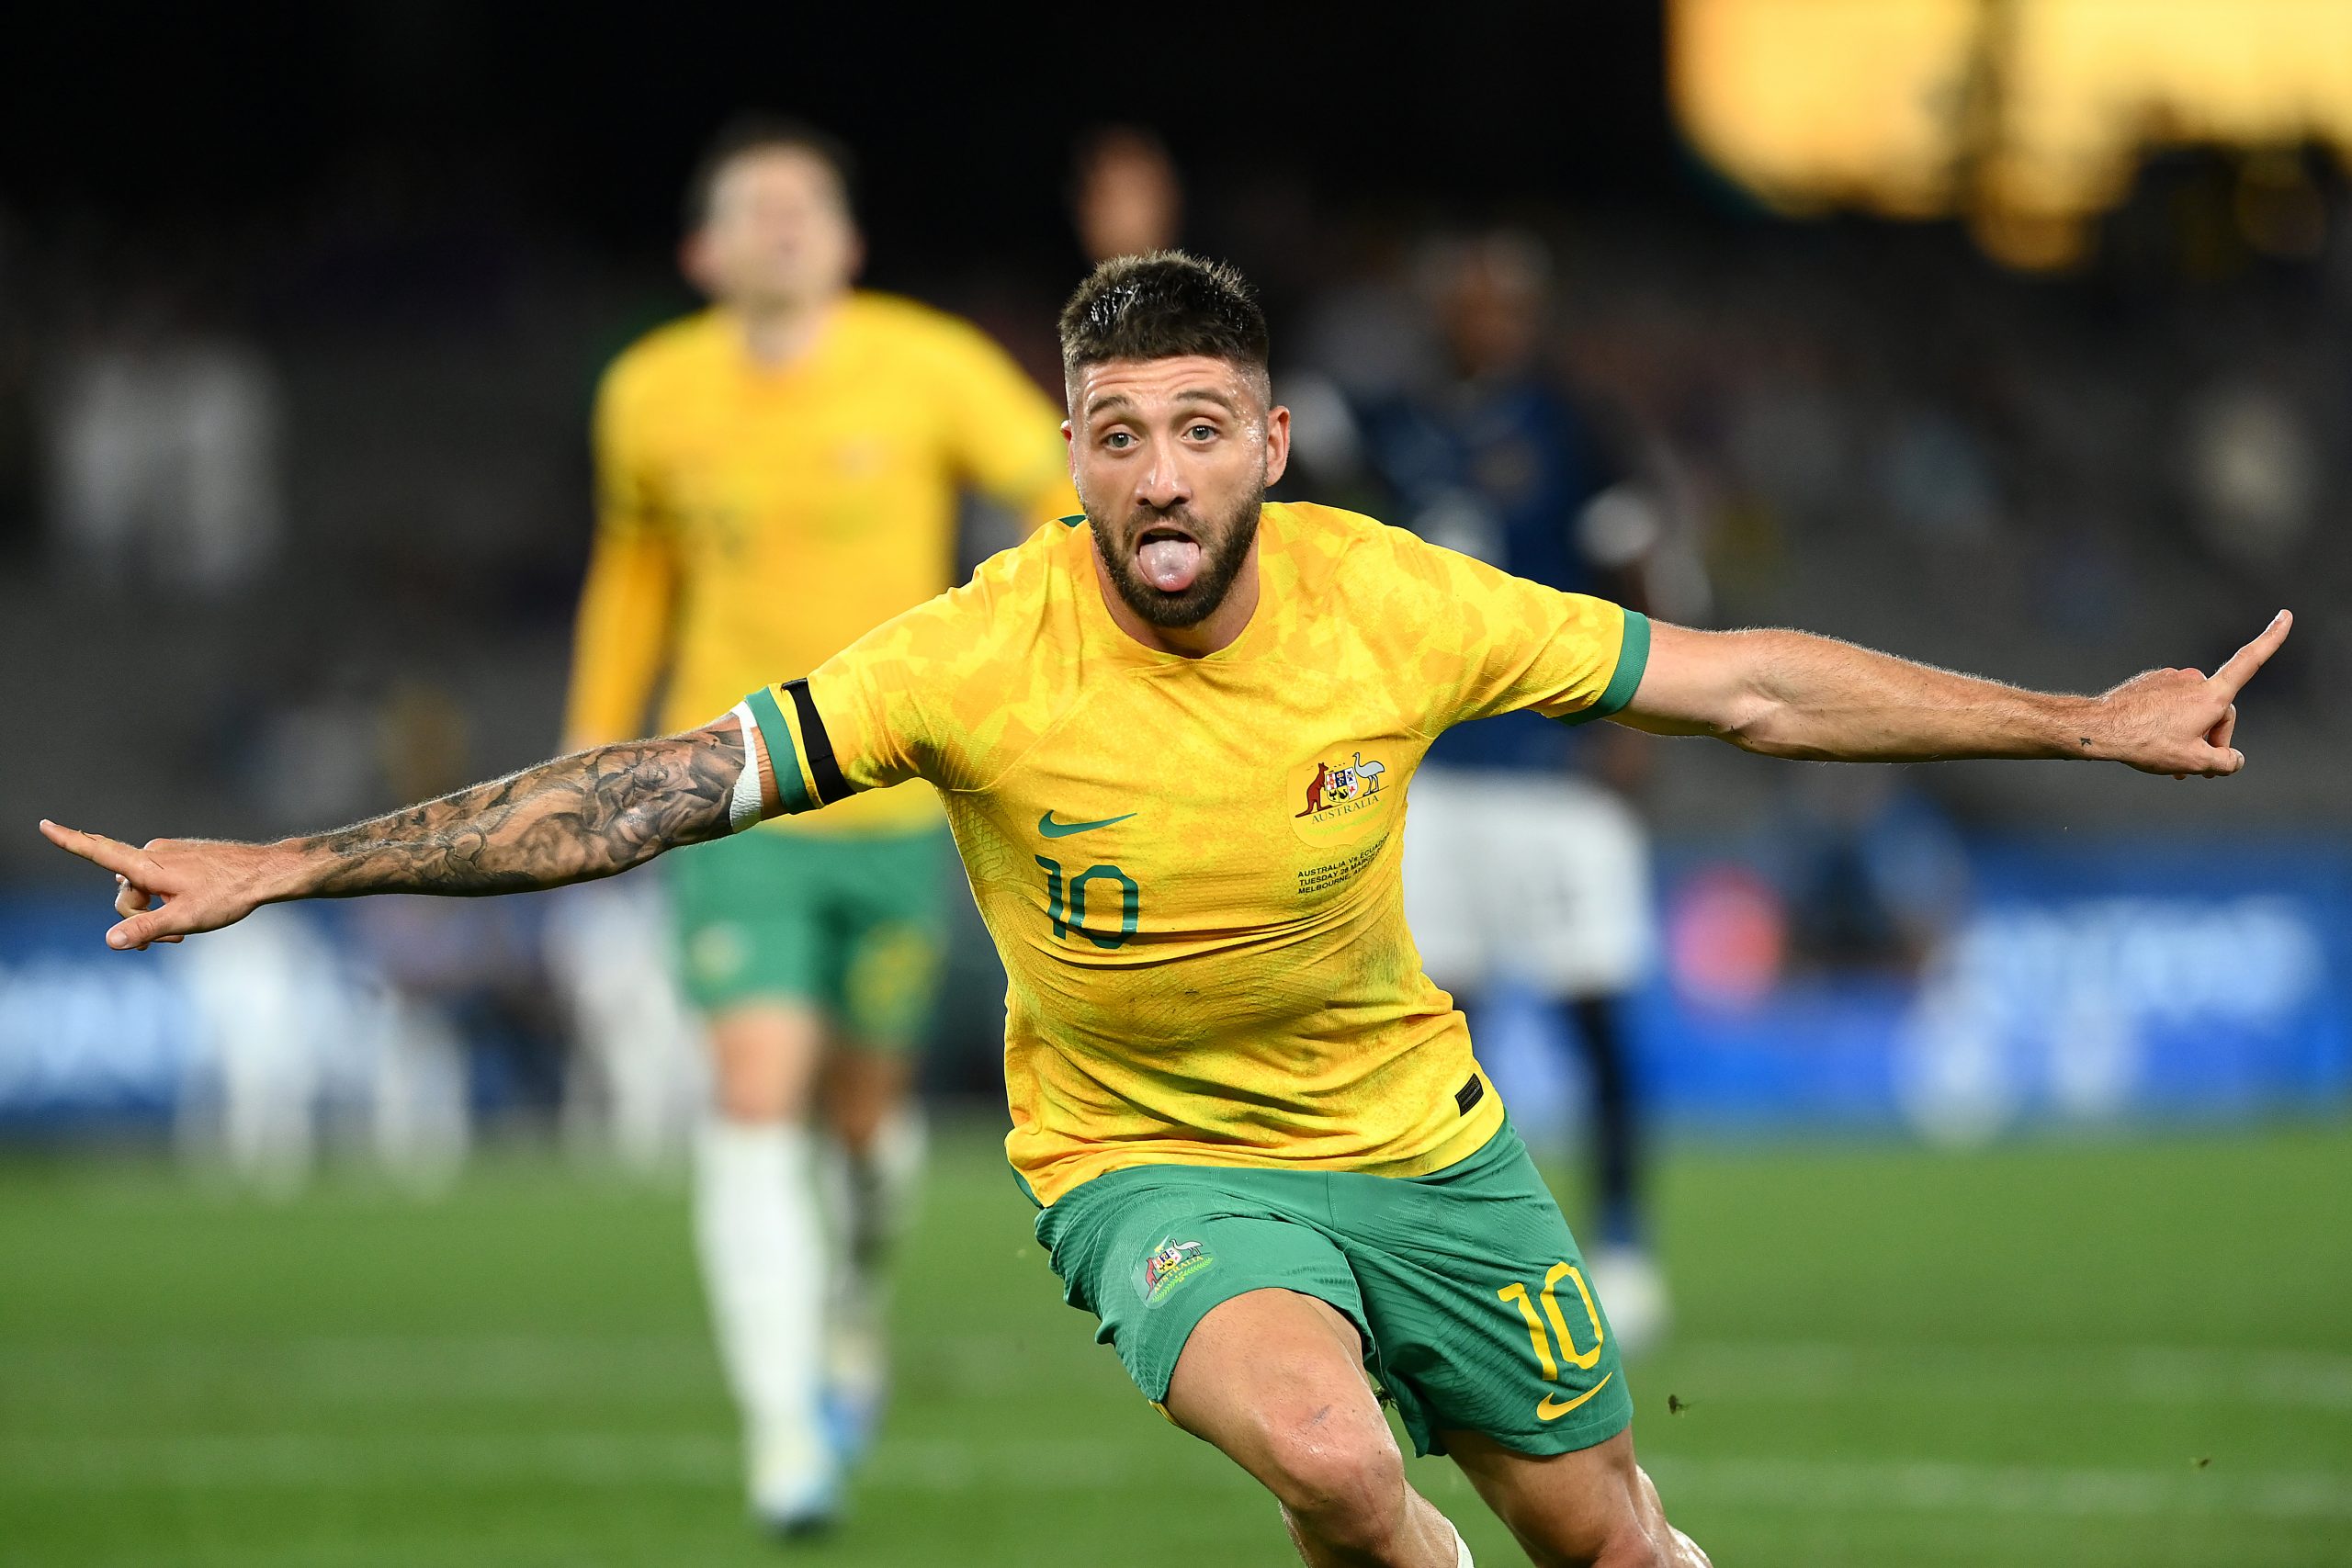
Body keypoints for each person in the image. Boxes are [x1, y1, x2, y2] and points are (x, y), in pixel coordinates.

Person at [47, 253, 2288, 1568]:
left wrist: (2068, 718)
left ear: (1271, 443)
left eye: (1197, 428)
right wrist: (299, 859)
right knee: (1325, 1446)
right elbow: (653, 785)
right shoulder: (971, 652)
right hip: (1141, 1156)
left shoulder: (1386, 599)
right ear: (1070, 456)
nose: (1157, 475)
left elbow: (1739, 685)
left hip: (1417, 1136)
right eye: (1114, 434)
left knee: (1597, 1532)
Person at [557, 116, 1076, 1529]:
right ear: (702, 250)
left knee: (864, 1126)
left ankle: (853, 1306)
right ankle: (783, 1431)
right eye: (752, 204)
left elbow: (1063, 496)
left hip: (901, 807)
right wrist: (592, 750)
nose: (781, 221)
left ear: (845, 242)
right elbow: (633, 570)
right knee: (751, 1085)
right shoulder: (649, 392)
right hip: (730, 798)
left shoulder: (928, 366)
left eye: (806, 203)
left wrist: (1030, 665)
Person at [1353, 231, 1682, 1349]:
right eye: (1470, 299)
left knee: (1594, 1011)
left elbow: (1640, 563)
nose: (1489, 319)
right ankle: (1465, 1245)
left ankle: (1626, 1239)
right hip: (1435, 774)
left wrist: (1637, 725)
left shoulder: (1579, 425)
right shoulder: (1390, 426)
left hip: (1554, 766)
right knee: (1444, 1026)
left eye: (1507, 301)